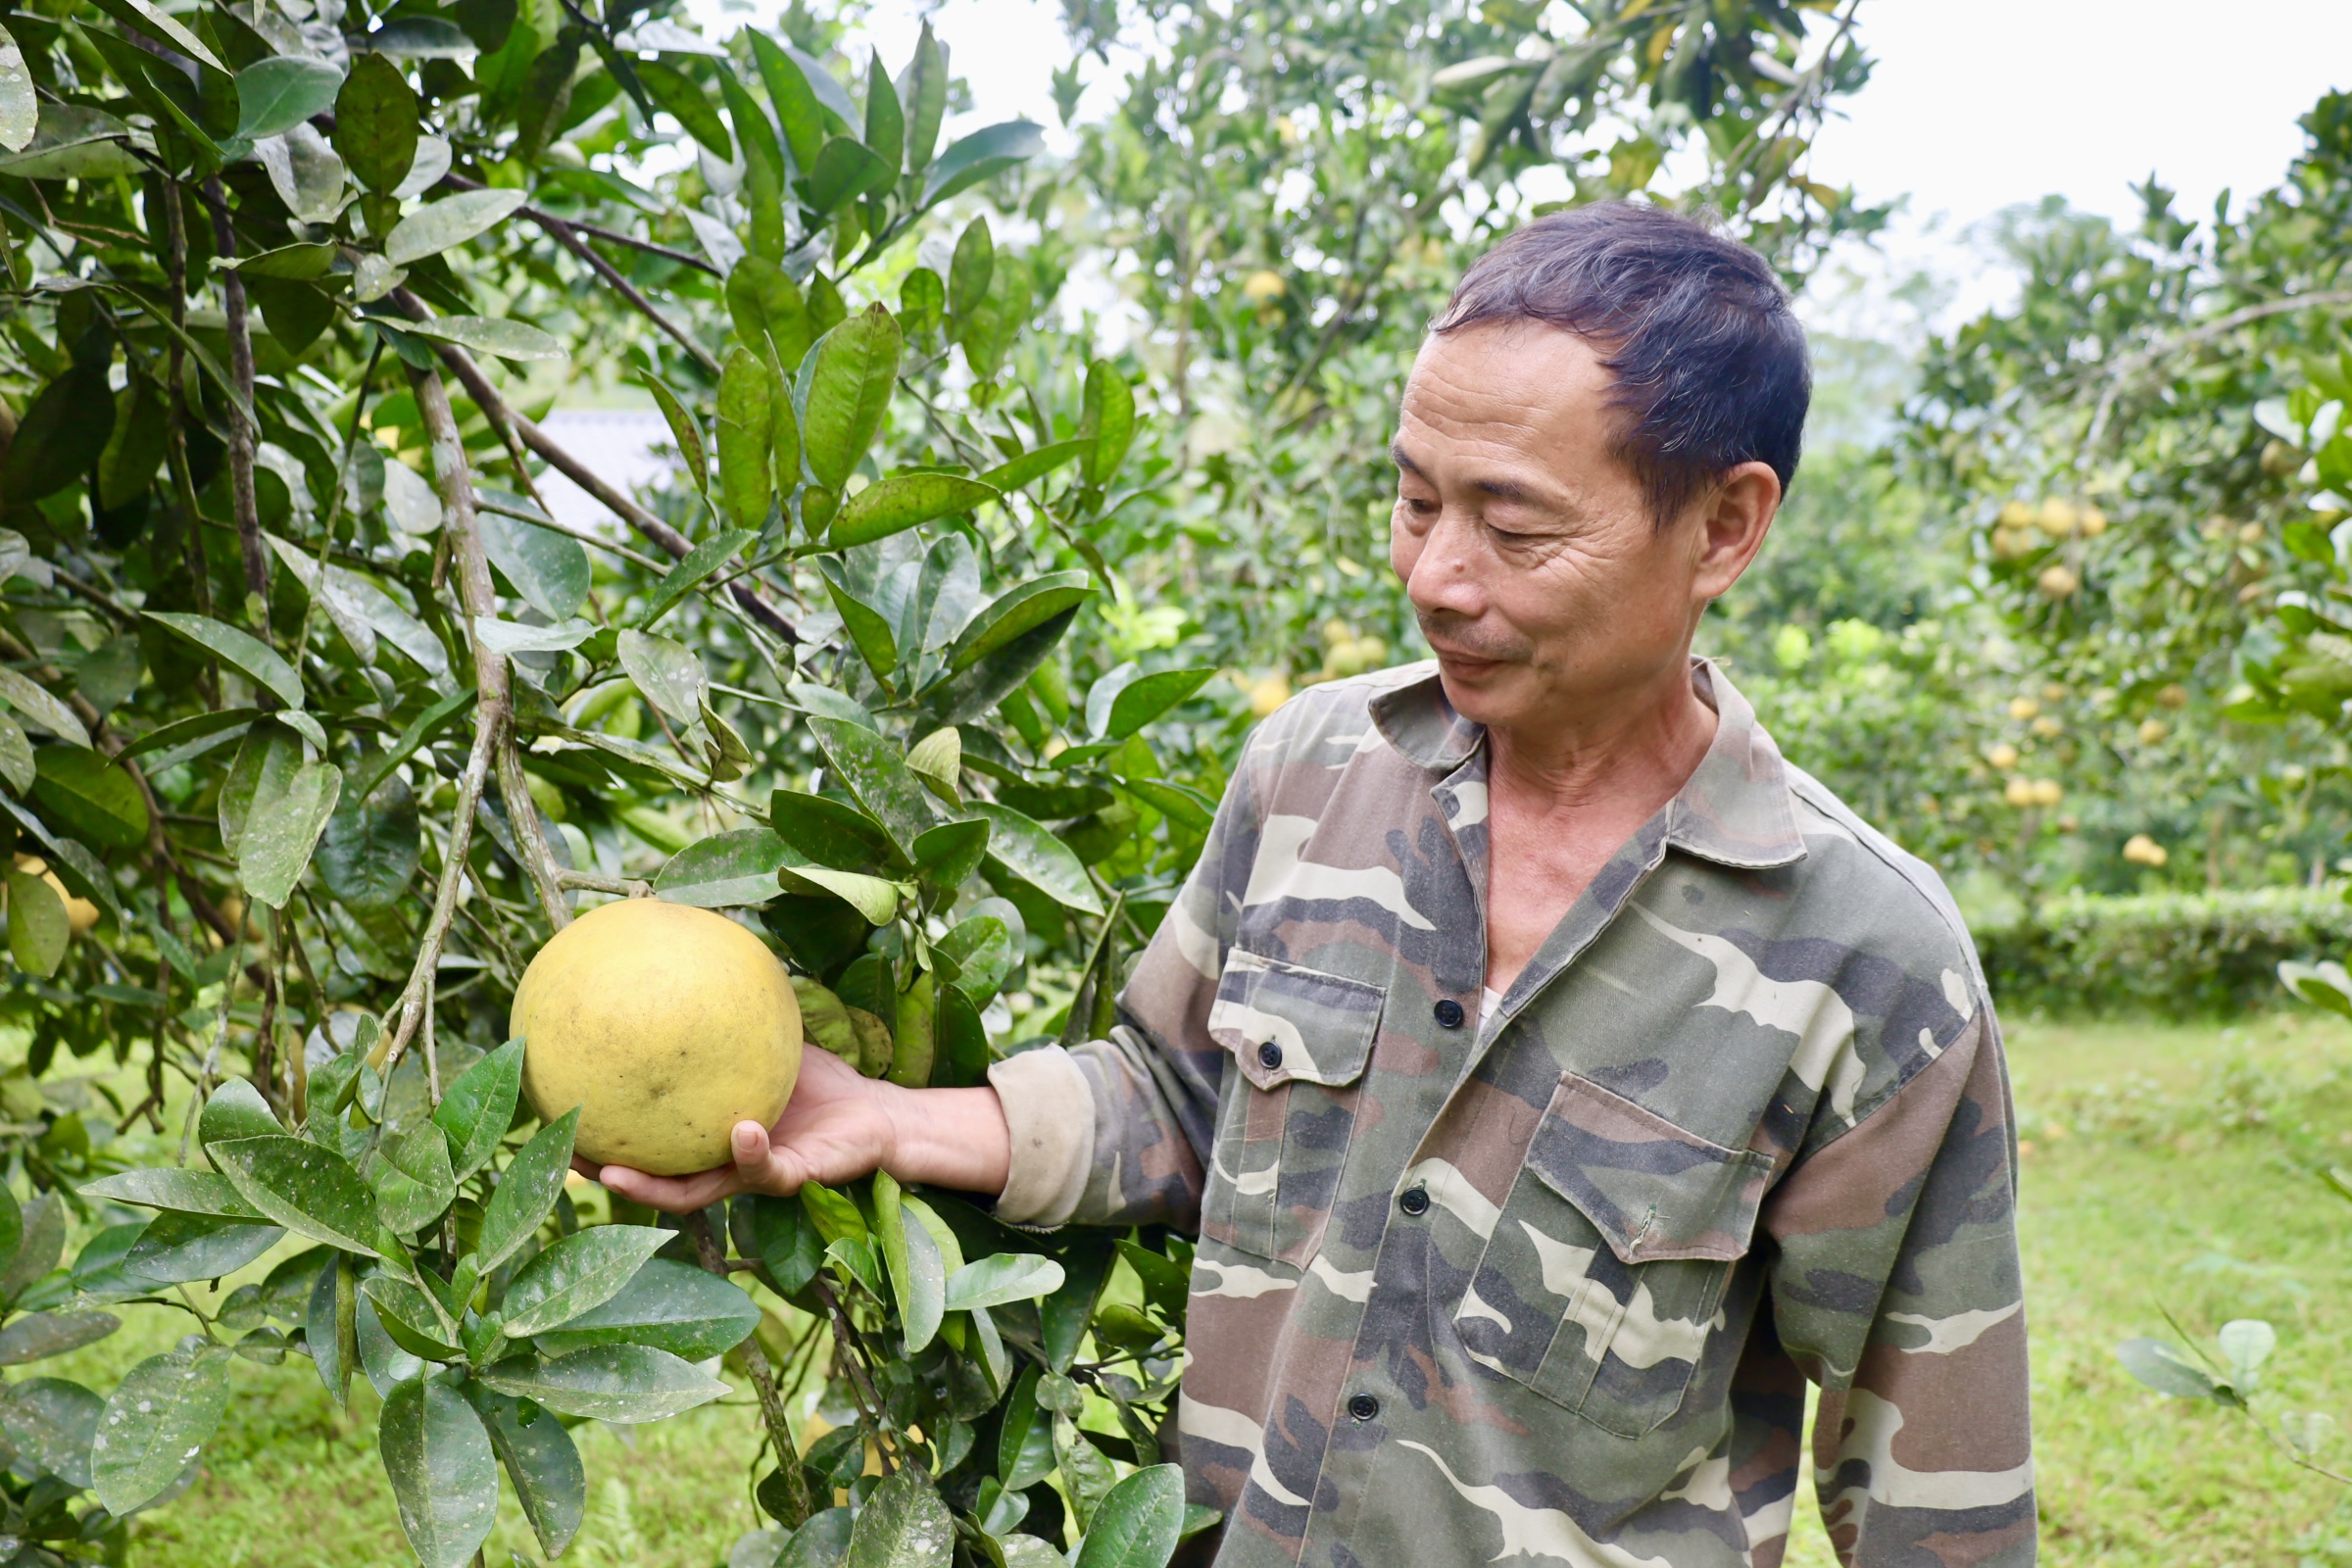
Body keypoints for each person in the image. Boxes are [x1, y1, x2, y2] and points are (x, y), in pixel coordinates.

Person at [594, 203, 2034, 1568]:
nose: (1437, 576)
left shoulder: (1867, 965)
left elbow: (1936, 1495)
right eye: (1416, 500)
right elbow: (1179, 1096)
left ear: (1724, 527)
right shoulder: (1312, 773)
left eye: (1515, 528)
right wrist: (892, 1118)